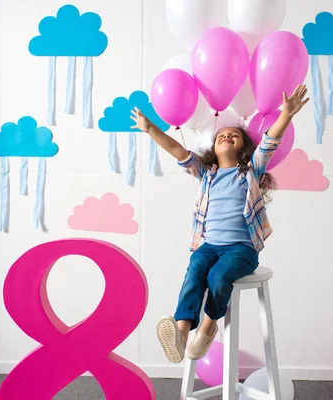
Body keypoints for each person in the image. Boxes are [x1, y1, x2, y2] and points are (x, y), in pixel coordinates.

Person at [130, 84, 309, 363]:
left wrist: (286, 115)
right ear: (213, 148)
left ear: (244, 148)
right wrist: (151, 128)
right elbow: (178, 150)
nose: (226, 136)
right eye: (222, 135)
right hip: (210, 245)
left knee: (218, 276)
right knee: (195, 270)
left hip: (241, 249)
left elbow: (270, 142)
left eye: (234, 135)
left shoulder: (250, 171)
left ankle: (208, 325)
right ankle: (181, 332)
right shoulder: (206, 174)